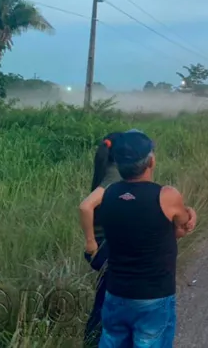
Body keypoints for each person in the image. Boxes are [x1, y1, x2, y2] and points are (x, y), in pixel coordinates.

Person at [79, 130, 197, 348]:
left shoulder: (109, 193)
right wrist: (191, 213)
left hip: (116, 293)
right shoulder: (167, 195)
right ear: (151, 161)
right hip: (153, 294)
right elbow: (180, 229)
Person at [82, 132, 123, 347]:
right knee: (107, 301)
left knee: (105, 297)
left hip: (105, 245)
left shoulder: (108, 170)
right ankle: (94, 340)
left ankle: (93, 339)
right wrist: (91, 242)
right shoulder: (115, 175)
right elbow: (86, 205)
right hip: (105, 247)